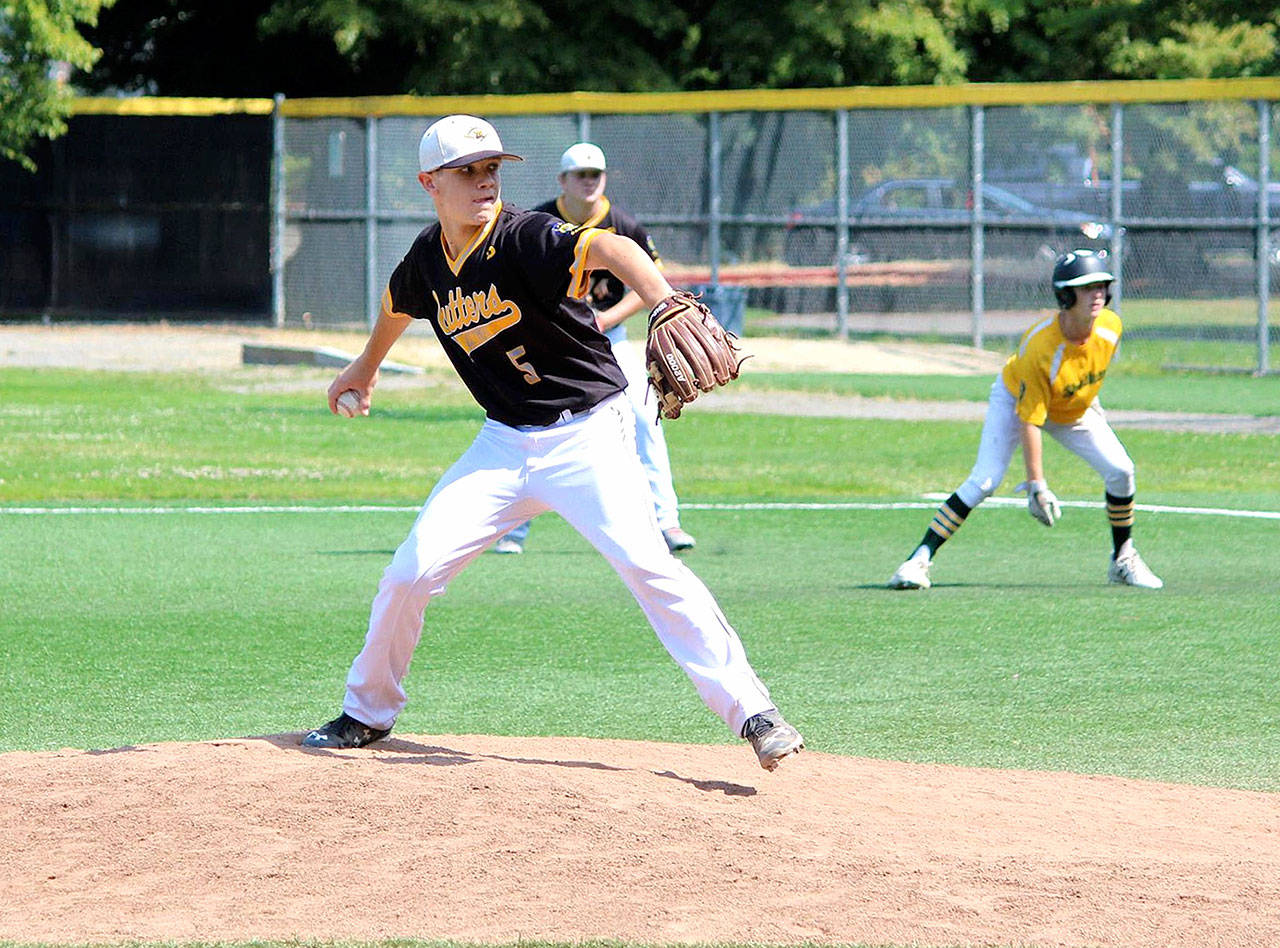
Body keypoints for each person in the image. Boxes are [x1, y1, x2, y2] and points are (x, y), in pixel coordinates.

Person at [301, 114, 803, 771]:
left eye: (492, 169)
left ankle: (754, 713)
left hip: (588, 432)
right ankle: (367, 713)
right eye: (467, 171)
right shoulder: (428, 258)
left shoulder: (525, 235)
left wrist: (662, 300)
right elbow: (399, 304)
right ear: (430, 182)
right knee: (409, 572)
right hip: (503, 443)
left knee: (648, 566)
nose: (484, 182)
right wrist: (364, 369)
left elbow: (611, 251)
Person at [887, 249, 1163, 590]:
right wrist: (1036, 484)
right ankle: (917, 560)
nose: (1097, 294)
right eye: (1086, 287)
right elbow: (1030, 419)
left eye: (1102, 286)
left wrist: (1090, 407)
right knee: (986, 480)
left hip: (1072, 410)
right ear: (1066, 295)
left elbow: (1086, 373)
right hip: (1015, 397)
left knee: (1121, 470)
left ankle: (1123, 559)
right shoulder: (1040, 347)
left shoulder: (1110, 327)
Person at [493, 141, 696, 556]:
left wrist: (605, 319)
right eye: (580, 174)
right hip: (549, 344)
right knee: (529, 422)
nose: (588, 181)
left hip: (609, 339)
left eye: (595, 174)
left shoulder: (623, 224)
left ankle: (666, 521)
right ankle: (511, 531)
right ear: (562, 181)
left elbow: (648, 284)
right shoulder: (536, 221)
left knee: (645, 416)